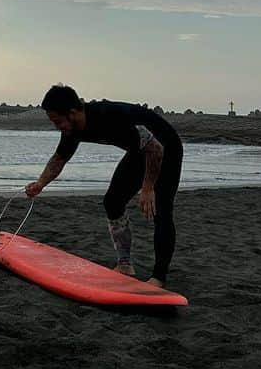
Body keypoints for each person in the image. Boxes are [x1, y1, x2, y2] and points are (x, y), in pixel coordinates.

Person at [24, 84, 183, 286]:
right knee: (113, 202)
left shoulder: (109, 116)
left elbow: (155, 149)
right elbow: (59, 159)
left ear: (73, 112)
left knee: (160, 209)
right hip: (141, 151)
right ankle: (125, 264)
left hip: (165, 148)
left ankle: (159, 277)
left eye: (58, 121)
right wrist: (40, 184)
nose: (58, 127)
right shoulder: (73, 129)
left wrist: (148, 187)